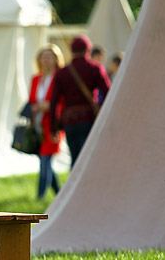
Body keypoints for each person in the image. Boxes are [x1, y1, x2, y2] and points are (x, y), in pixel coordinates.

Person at [48, 35, 111, 168]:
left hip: (69, 121)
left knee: (75, 159)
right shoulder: (95, 69)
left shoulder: (62, 73)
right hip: (89, 119)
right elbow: (108, 93)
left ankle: (74, 187)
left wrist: (53, 127)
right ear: (88, 50)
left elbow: (54, 101)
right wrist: (102, 112)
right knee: (88, 159)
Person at [29, 44, 65, 199]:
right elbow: (31, 100)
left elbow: (62, 101)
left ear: (56, 59)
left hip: (53, 125)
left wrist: (48, 106)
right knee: (46, 162)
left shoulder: (60, 77)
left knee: (45, 161)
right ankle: (60, 194)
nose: (46, 61)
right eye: (44, 57)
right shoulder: (36, 79)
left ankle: (40, 198)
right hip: (38, 125)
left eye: (49, 57)